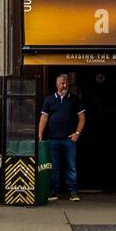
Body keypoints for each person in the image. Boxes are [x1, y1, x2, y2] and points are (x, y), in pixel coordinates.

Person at [38, 74, 85, 202]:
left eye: (66, 83)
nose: (64, 86)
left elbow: (82, 118)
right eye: (62, 83)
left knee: (71, 166)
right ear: (57, 85)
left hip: (69, 139)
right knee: (54, 167)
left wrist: (77, 133)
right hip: (52, 138)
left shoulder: (75, 99)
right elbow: (44, 118)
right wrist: (40, 134)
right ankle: (53, 191)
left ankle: (73, 192)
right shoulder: (49, 100)